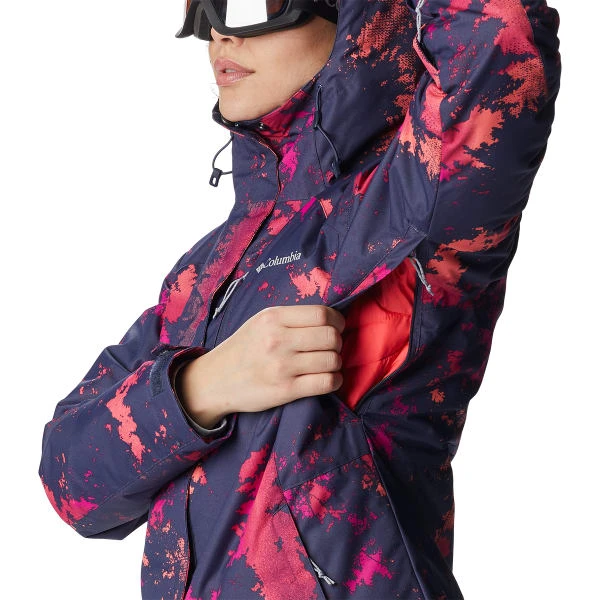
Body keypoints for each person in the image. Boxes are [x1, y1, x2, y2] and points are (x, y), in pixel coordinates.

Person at [39, 0, 561, 598]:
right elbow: (71, 482)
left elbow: (499, 32)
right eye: (203, 9)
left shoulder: (410, 206)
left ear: (353, 19)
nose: (220, 35)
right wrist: (201, 388)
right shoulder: (206, 271)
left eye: (252, 3)